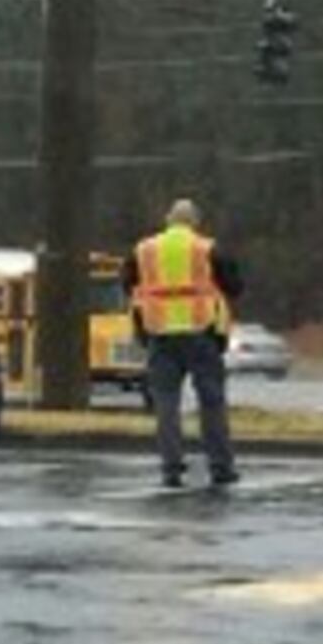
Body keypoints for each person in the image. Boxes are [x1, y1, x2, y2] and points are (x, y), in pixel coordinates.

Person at [123, 197, 242, 489]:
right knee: (211, 402)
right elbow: (235, 286)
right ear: (195, 222)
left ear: (168, 220)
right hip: (202, 334)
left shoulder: (144, 250)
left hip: (159, 334)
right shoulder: (206, 248)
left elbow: (128, 284)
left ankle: (171, 468)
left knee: (166, 404)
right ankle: (221, 466)